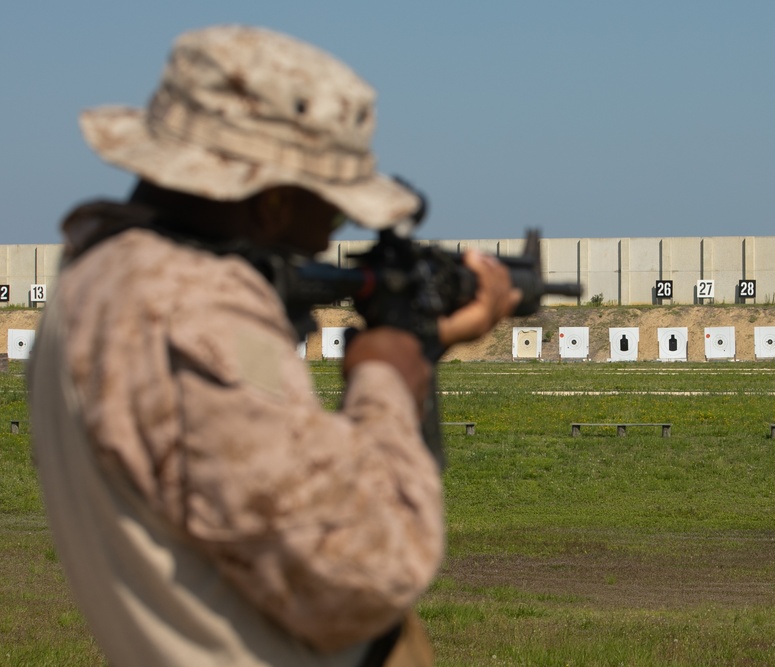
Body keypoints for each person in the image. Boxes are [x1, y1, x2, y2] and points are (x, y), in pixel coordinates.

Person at [28, 25, 520, 666]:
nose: (325, 242)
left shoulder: (96, 276)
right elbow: (366, 572)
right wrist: (388, 380)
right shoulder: (195, 315)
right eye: (332, 211)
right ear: (274, 204)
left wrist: (417, 344)